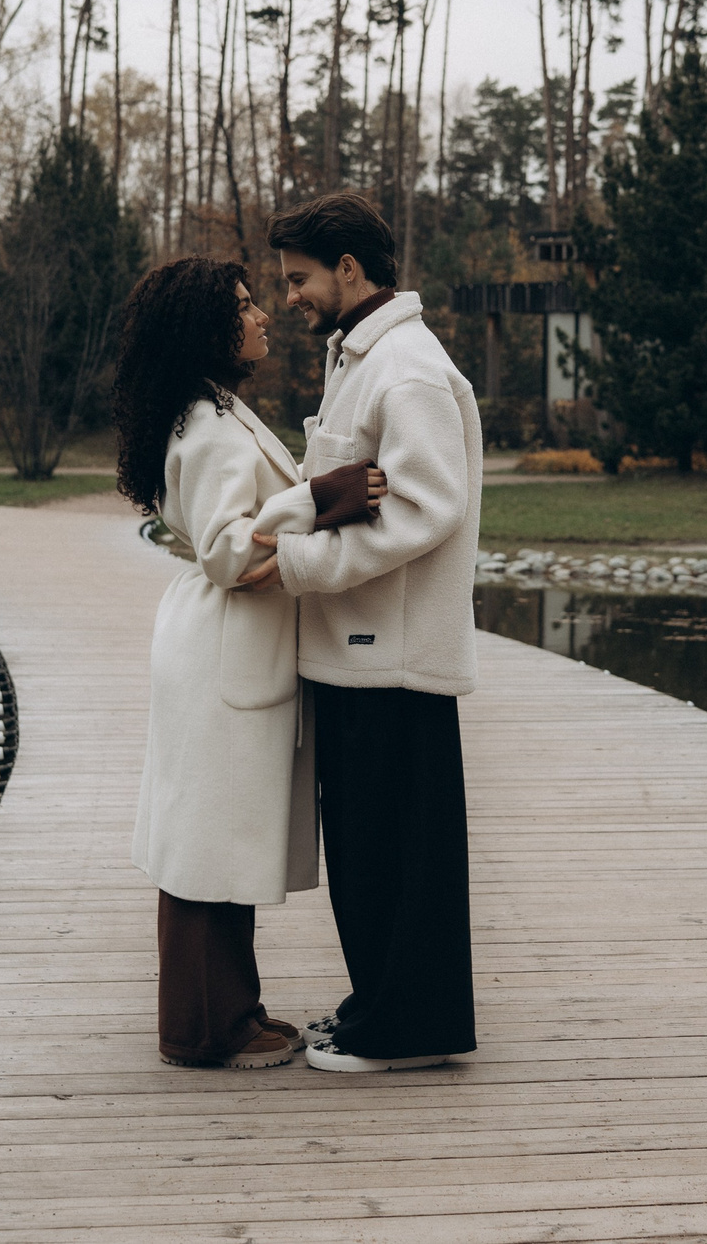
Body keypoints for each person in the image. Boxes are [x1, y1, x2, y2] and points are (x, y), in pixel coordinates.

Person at [116, 255, 385, 1070]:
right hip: (224, 653)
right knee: (206, 846)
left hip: (219, 649)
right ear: (206, 327)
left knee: (210, 839)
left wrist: (316, 498)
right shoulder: (206, 428)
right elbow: (233, 552)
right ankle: (205, 1029)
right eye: (242, 306)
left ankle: (228, 1010)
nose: (264, 314)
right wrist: (329, 497)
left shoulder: (210, 412)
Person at [242, 191, 484, 1074]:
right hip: (357, 651)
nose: (292, 295)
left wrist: (300, 566)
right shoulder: (364, 357)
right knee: (368, 847)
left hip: (392, 656)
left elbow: (423, 508)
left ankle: (408, 1028)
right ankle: (379, 1003)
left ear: (351, 268)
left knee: (397, 851)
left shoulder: (406, 368)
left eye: (300, 278)